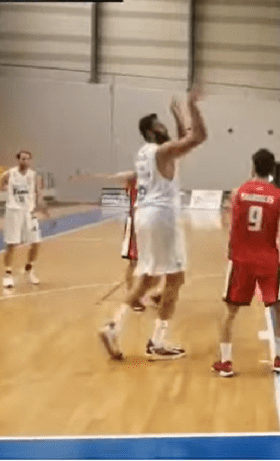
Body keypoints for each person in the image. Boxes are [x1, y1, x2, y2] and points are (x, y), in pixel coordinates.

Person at [98, 88, 207, 361]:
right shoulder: (162, 152)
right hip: (162, 218)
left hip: (144, 216)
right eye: (160, 124)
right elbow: (197, 137)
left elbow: (180, 140)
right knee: (175, 279)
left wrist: (178, 115)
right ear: (150, 131)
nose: (164, 127)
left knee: (148, 279)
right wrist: (192, 106)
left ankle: (113, 327)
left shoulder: (144, 153)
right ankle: (158, 342)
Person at [211, 149, 280, 377]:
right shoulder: (279, 196)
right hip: (269, 260)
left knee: (230, 311)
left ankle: (225, 362)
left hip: (241, 259)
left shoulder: (238, 193)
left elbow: (229, 223)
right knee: (279, 308)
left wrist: (232, 246)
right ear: (272, 170)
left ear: (253, 167)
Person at [69, 170, 162, 310]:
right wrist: (86, 177)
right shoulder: (134, 177)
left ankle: (153, 294)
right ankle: (132, 297)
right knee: (134, 262)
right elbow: (112, 177)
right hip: (136, 226)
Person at [0, 150, 47, 289]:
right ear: (18, 160)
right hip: (13, 212)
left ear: (30, 161)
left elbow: (39, 194)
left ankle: (29, 269)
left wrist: (43, 208)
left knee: (36, 242)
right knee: (11, 244)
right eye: (22, 158)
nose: (25, 161)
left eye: (27, 159)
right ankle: (8, 275)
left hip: (29, 212)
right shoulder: (8, 174)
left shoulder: (34, 176)